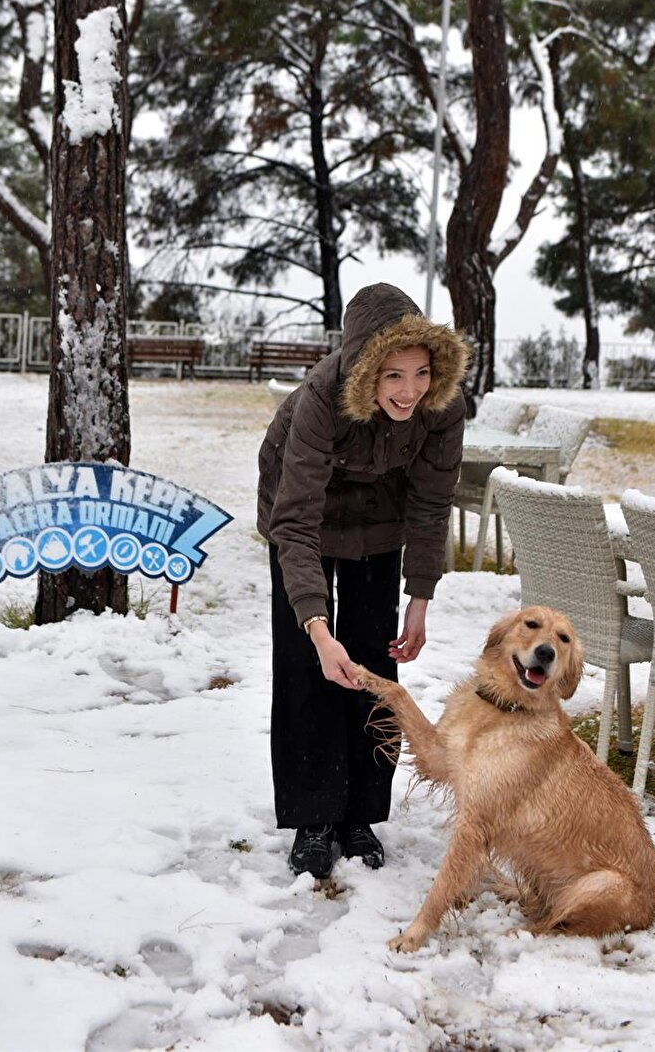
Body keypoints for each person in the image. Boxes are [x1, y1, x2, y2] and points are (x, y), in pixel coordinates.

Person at [257, 282, 469, 879]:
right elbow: (295, 522)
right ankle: (313, 815)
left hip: (381, 516)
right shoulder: (320, 400)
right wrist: (320, 634)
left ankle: (359, 813)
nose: (410, 391)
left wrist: (419, 599)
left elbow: (431, 505)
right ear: (366, 371)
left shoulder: (442, 405)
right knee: (309, 661)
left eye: (420, 373)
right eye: (393, 376)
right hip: (300, 511)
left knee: (373, 654)